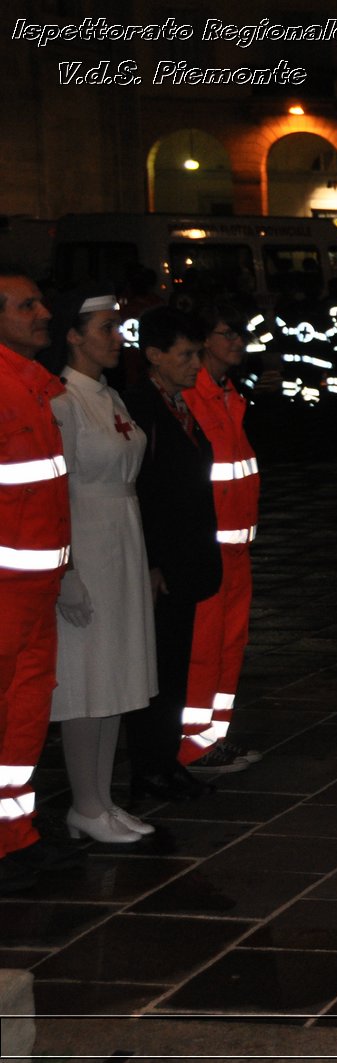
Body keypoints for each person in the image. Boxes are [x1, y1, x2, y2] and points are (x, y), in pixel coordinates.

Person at [46, 289, 158, 844]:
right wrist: (66, 571)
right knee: (85, 678)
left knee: (114, 674)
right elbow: (53, 493)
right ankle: (84, 804)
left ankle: (102, 801)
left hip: (122, 540)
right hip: (88, 542)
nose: (117, 337)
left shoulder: (109, 396)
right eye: (106, 327)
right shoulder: (63, 401)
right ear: (73, 334)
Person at [0, 267, 81, 892]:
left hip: (34, 593)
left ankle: (14, 836)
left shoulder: (32, 385)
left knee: (25, 717)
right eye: (27, 306)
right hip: (5, 593)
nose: (44, 314)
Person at [122, 307, 221, 806]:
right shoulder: (141, 407)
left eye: (198, 353)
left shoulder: (180, 406)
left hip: (189, 558)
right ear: (154, 356)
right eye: (185, 355)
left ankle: (165, 763)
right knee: (156, 670)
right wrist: (153, 560)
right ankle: (148, 768)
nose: (196, 364)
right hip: (164, 564)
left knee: (176, 666)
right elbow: (141, 489)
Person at [179, 301, 263, 775]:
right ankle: (190, 745)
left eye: (240, 333)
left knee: (230, 646)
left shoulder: (230, 395)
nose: (238, 341)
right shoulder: (192, 397)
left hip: (237, 552)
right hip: (209, 551)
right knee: (203, 651)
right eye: (228, 332)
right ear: (204, 340)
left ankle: (212, 739)